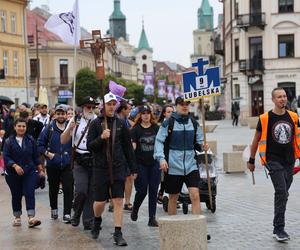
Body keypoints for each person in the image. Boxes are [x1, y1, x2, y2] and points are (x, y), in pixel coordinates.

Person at [247, 87, 300, 242]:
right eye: (279, 97)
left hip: (290, 160)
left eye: (284, 96)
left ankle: (278, 226)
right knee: (282, 192)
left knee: (283, 194)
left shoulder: (294, 116)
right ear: (273, 100)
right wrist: (251, 160)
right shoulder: (265, 118)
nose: (282, 99)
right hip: (273, 160)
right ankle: (279, 229)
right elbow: (256, 140)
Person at [87, 92, 137, 246]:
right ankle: (97, 220)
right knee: (100, 202)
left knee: (118, 200)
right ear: (103, 106)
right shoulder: (95, 124)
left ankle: (118, 232)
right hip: (100, 167)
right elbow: (90, 147)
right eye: (108, 104)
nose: (111, 106)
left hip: (118, 167)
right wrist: (101, 138)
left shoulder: (121, 123)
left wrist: (133, 168)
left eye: (113, 104)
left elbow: (128, 148)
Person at [154, 96, 207, 215]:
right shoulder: (168, 123)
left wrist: (203, 146)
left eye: (187, 104)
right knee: (173, 197)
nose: (184, 106)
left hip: (191, 165)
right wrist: (161, 159)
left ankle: (196, 227)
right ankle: (173, 227)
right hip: (173, 166)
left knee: (195, 195)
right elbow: (159, 141)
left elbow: (199, 141)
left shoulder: (193, 122)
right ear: (176, 106)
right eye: (182, 104)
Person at [61, 96, 97, 230]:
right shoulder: (75, 120)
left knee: (92, 191)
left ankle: (88, 220)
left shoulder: (98, 121)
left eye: (93, 107)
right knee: (81, 190)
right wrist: (70, 129)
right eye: (88, 107)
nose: (91, 109)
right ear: (82, 108)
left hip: (93, 158)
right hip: (79, 159)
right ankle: (76, 213)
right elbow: (63, 140)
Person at [3, 118, 44, 228]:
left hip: (29, 171)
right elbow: (6, 157)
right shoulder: (8, 141)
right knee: (16, 194)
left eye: (23, 126)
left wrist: (40, 169)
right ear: (15, 127)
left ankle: (31, 218)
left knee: (29, 192)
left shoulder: (31, 140)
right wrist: (15, 165)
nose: (21, 128)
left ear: (26, 128)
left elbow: (36, 156)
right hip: (12, 173)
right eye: (19, 126)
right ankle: (17, 217)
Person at [37, 105, 73, 223]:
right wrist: (48, 154)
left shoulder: (71, 126)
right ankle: (54, 209)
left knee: (68, 188)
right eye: (58, 113)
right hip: (53, 164)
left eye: (63, 114)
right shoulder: (49, 128)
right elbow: (40, 145)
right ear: (55, 114)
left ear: (66, 114)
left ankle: (67, 213)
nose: (61, 116)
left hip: (68, 164)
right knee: (53, 189)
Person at [130, 105, 160, 226]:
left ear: (151, 115)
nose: (146, 115)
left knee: (153, 190)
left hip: (154, 164)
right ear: (140, 115)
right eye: (143, 113)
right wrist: (133, 167)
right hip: (140, 164)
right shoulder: (135, 130)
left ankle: (152, 218)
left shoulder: (156, 128)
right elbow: (132, 149)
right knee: (142, 191)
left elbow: (161, 144)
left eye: (148, 113)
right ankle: (135, 208)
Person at [116, 100, 134, 212]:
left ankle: (127, 202)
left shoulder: (126, 120)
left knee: (129, 178)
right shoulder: (116, 120)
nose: (130, 111)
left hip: (127, 153)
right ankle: (114, 202)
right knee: (116, 179)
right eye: (129, 109)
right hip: (118, 153)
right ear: (123, 109)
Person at [156, 104, 174, 204]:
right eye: (168, 112)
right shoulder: (162, 126)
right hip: (164, 154)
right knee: (165, 175)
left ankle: (170, 196)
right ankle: (162, 194)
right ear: (164, 113)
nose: (171, 114)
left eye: (172, 112)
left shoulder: (176, 123)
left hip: (174, 153)